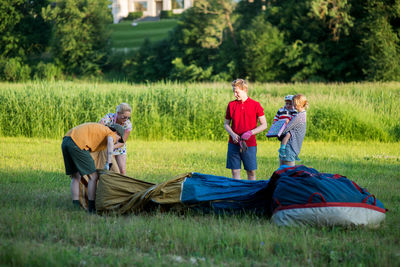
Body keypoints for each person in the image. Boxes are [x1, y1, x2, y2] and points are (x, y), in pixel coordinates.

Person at [61, 122, 125, 212]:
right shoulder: (111, 133)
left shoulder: (101, 130)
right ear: (117, 133)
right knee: (93, 176)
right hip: (77, 143)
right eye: (119, 139)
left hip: (66, 141)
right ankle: (91, 208)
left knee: (76, 176)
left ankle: (75, 207)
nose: (117, 141)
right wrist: (108, 162)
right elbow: (110, 142)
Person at [224, 79, 268, 180]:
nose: (235, 94)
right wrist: (232, 134)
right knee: (235, 172)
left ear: (245, 90)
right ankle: (237, 193)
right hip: (233, 143)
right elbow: (226, 124)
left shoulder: (255, 105)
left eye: (237, 92)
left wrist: (251, 132)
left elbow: (264, 124)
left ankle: (251, 194)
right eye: (234, 92)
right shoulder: (231, 105)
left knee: (251, 172)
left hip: (250, 144)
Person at [99, 103, 132, 175]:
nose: (126, 119)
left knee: (122, 170)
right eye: (124, 117)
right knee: (112, 170)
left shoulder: (128, 124)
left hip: (120, 147)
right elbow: (99, 126)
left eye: (128, 117)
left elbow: (122, 142)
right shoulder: (109, 117)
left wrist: (111, 147)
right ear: (118, 113)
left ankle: (123, 186)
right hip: (107, 147)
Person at [278, 94, 309, 167]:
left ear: (299, 104)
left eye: (294, 104)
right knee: (283, 170)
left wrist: (278, 132)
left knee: (288, 171)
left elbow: (287, 128)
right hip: (288, 145)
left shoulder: (299, 116)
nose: (293, 106)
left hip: (290, 146)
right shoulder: (301, 114)